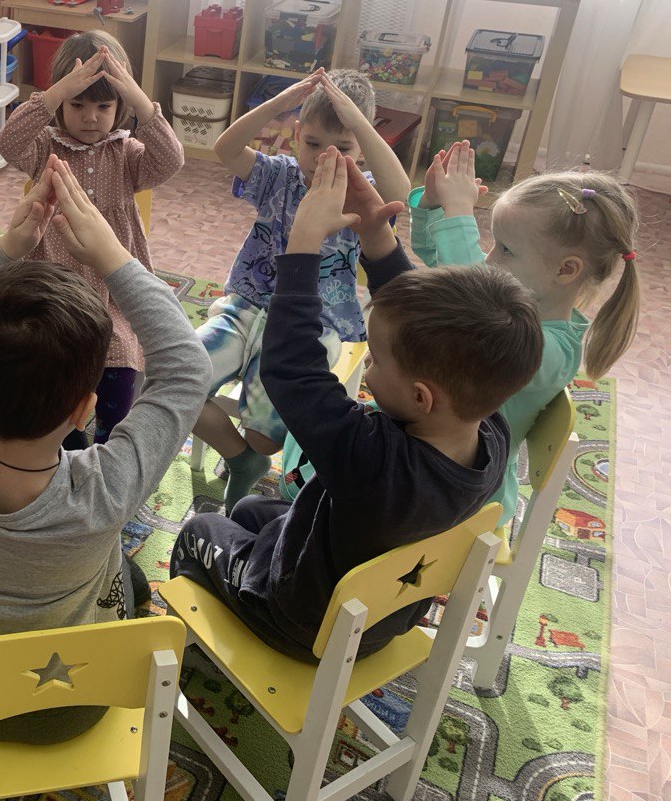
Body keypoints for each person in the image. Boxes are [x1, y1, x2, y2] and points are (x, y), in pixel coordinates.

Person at [171, 151, 543, 661]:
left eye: (376, 360)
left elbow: (292, 371)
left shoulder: (371, 459)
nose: (366, 365)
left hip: (301, 619)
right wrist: (376, 235)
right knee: (252, 510)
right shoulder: (488, 427)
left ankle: (200, 651)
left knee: (200, 529)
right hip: (380, 613)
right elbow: (421, 328)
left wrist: (304, 243)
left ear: (421, 396)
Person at [0, 156, 211, 741]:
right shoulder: (107, 490)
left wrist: (7, 247)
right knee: (133, 579)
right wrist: (114, 256)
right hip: (76, 707)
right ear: (84, 410)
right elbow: (186, 368)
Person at [193, 67, 412, 507]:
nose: (324, 158)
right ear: (296, 136)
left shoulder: (363, 192)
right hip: (246, 308)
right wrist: (280, 102)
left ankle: (249, 455)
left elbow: (401, 190)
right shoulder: (278, 175)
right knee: (174, 383)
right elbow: (225, 147)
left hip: (312, 327)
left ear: (363, 148)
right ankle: (241, 460)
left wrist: (360, 125)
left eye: (343, 148)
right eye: (312, 143)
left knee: (264, 438)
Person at [399, 143, 640, 526]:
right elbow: (441, 262)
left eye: (507, 250)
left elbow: (480, 310)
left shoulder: (553, 351)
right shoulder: (509, 296)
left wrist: (460, 214)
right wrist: (431, 204)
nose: (489, 259)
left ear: (565, 270)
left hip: (466, 496)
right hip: (433, 458)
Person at [0, 31, 184, 447]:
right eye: (77, 104)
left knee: (119, 380)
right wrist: (54, 94)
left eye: (103, 106)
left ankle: (106, 453)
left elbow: (171, 160)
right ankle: (68, 449)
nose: (90, 117)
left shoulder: (127, 154)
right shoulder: (45, 148)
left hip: (113, 294)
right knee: (58, 389)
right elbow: (7, 142)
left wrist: (138, 99)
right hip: (54, 293)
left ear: (120, 107)